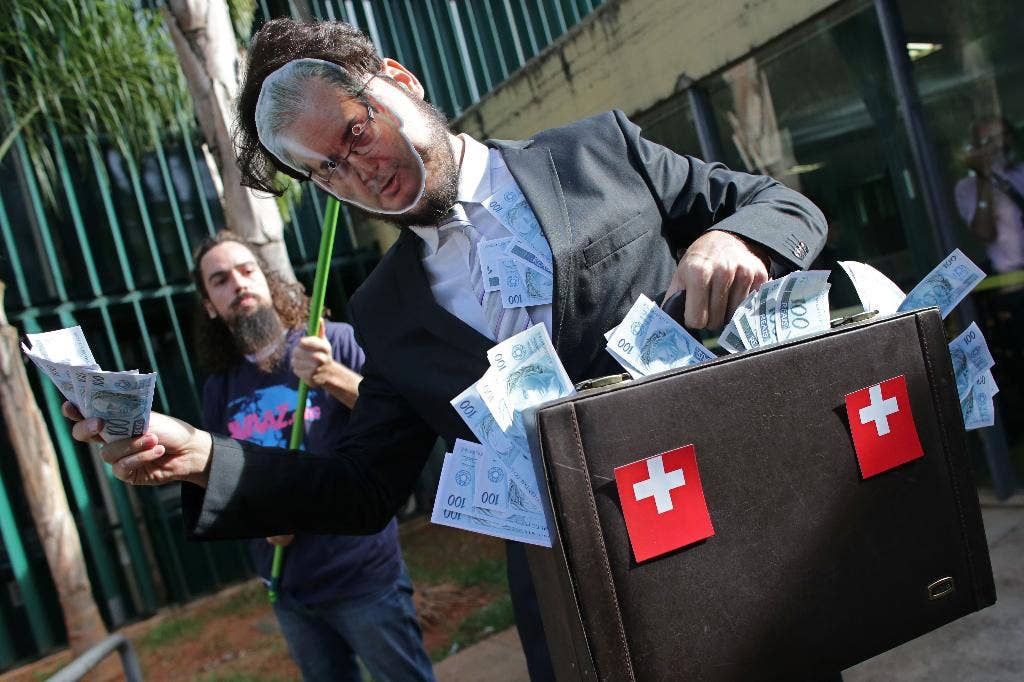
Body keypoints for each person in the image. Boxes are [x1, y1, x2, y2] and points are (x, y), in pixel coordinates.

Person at [65, 18, 827, 680]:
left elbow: (782, 204)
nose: (358, 171)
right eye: (324, 168)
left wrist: (730, 238)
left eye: (355, 133)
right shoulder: (384, 312)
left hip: (726, 537)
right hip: (576, 597)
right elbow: (360, 484)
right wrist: (203, 453)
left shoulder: (598, 151)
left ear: (398, 80)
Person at [190, 230, 433, 682]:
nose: (238, 284)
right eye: (220, 280)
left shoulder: (334, 342)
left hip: (362, 576)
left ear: (267, 279)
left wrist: (332, 376)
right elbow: (219, 471)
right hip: (288, 590)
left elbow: (401, 417)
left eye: (247, 271)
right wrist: (258, 520)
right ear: (209, 304)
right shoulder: (219, 387)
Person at [955, 115, 1024, 274]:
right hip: (1014, 275)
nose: (998, 145)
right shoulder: (967, 187)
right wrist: (983, 175)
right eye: (988, 142)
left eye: (1003, 136)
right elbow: (985, 233)